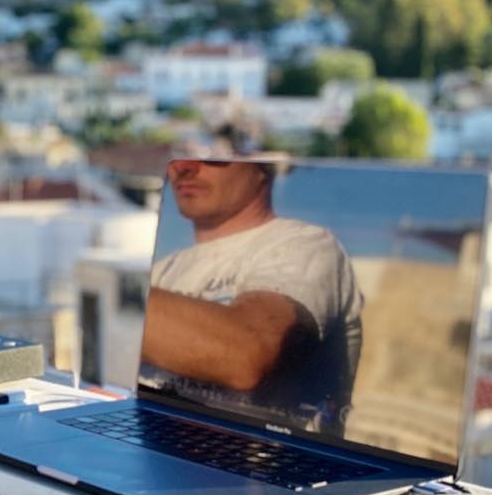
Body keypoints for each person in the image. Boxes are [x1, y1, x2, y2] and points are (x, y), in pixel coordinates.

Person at [139, 157, 362, 433]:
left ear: (264, 166)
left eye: (212, 156)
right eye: (175, 157)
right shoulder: (162, 269)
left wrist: (120, 297)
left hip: (260, 455)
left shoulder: (307, 244)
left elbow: (244, 356)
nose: (183, 167)